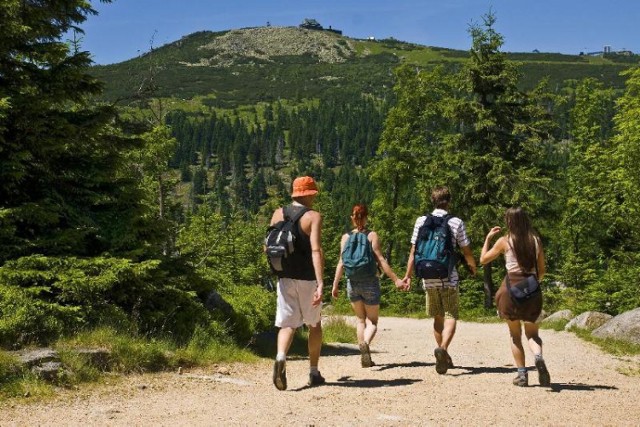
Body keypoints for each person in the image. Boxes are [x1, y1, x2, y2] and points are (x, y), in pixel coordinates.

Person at [403, 186, 477, 375]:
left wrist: (408, 276)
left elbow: (413, 251)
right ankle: (443, 349)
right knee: (451, 314)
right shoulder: (456, 222)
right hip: (448, 277)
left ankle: (443, 352)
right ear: (448, 201)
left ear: (432, 200)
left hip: (427, 276)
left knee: (438, 316)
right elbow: (466, 249)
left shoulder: (421, 221)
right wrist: (472, 267)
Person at [479, 206, 551, 387]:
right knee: (533, 334)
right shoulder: (535, 240)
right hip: (532, 290)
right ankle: (538, 357)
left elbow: (483, 260)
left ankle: (522, 375)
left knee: (514, 335)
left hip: (511, 292)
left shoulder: (505, 241)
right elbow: (542, 270)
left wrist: (488, 238)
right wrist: (533, 284)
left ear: (509, 222)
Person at [331, 204, 409, 368]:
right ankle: (365, 343)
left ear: (352, 218)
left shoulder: (345, 237)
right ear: (366, 217)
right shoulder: (371, 235)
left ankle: (363, 352)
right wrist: (396, 280)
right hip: (370, 282)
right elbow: (380, 259)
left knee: (360, 320)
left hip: (352, 282)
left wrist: (335, 285)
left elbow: (341, 262)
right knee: (372, 321)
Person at [269, 176, 325, 390]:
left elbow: (269, 245)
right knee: (314, 324)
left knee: (287, 324)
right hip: (307, 278)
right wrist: (320, 283)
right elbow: (315, 250)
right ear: (309, 194)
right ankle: (313, 371)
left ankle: (281, 356)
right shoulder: (313, 216)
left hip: (284, 276)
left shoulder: (277, 213)